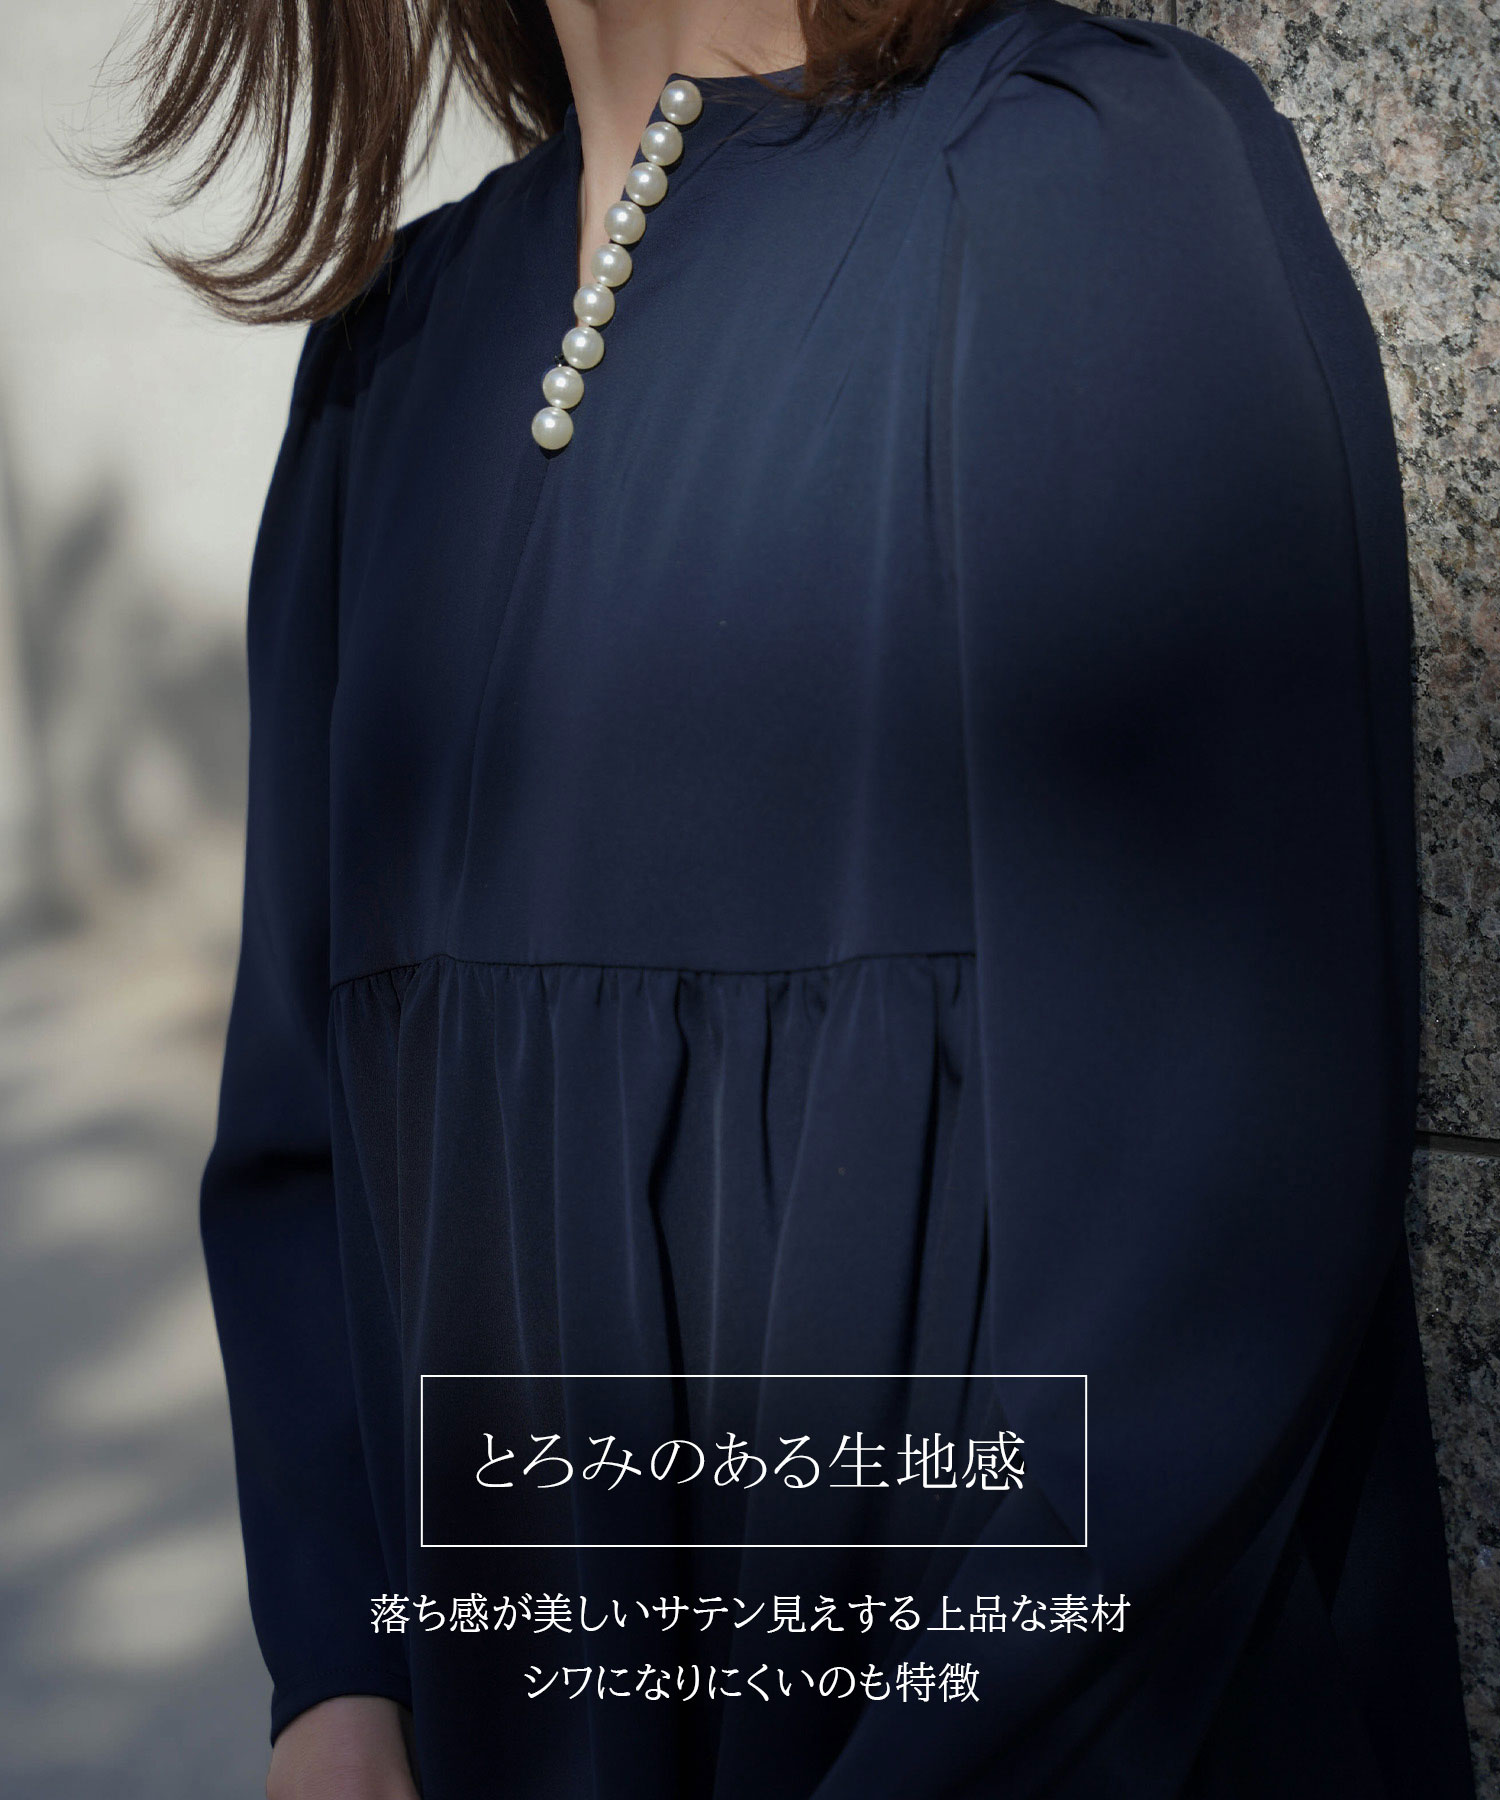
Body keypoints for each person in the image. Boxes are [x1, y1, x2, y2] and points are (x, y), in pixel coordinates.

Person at [116, 0, 1476, 1792]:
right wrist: (341, 1687)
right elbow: (301, 1137)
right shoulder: (393, 353)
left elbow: (1209, 1260)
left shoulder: (1080, 183)